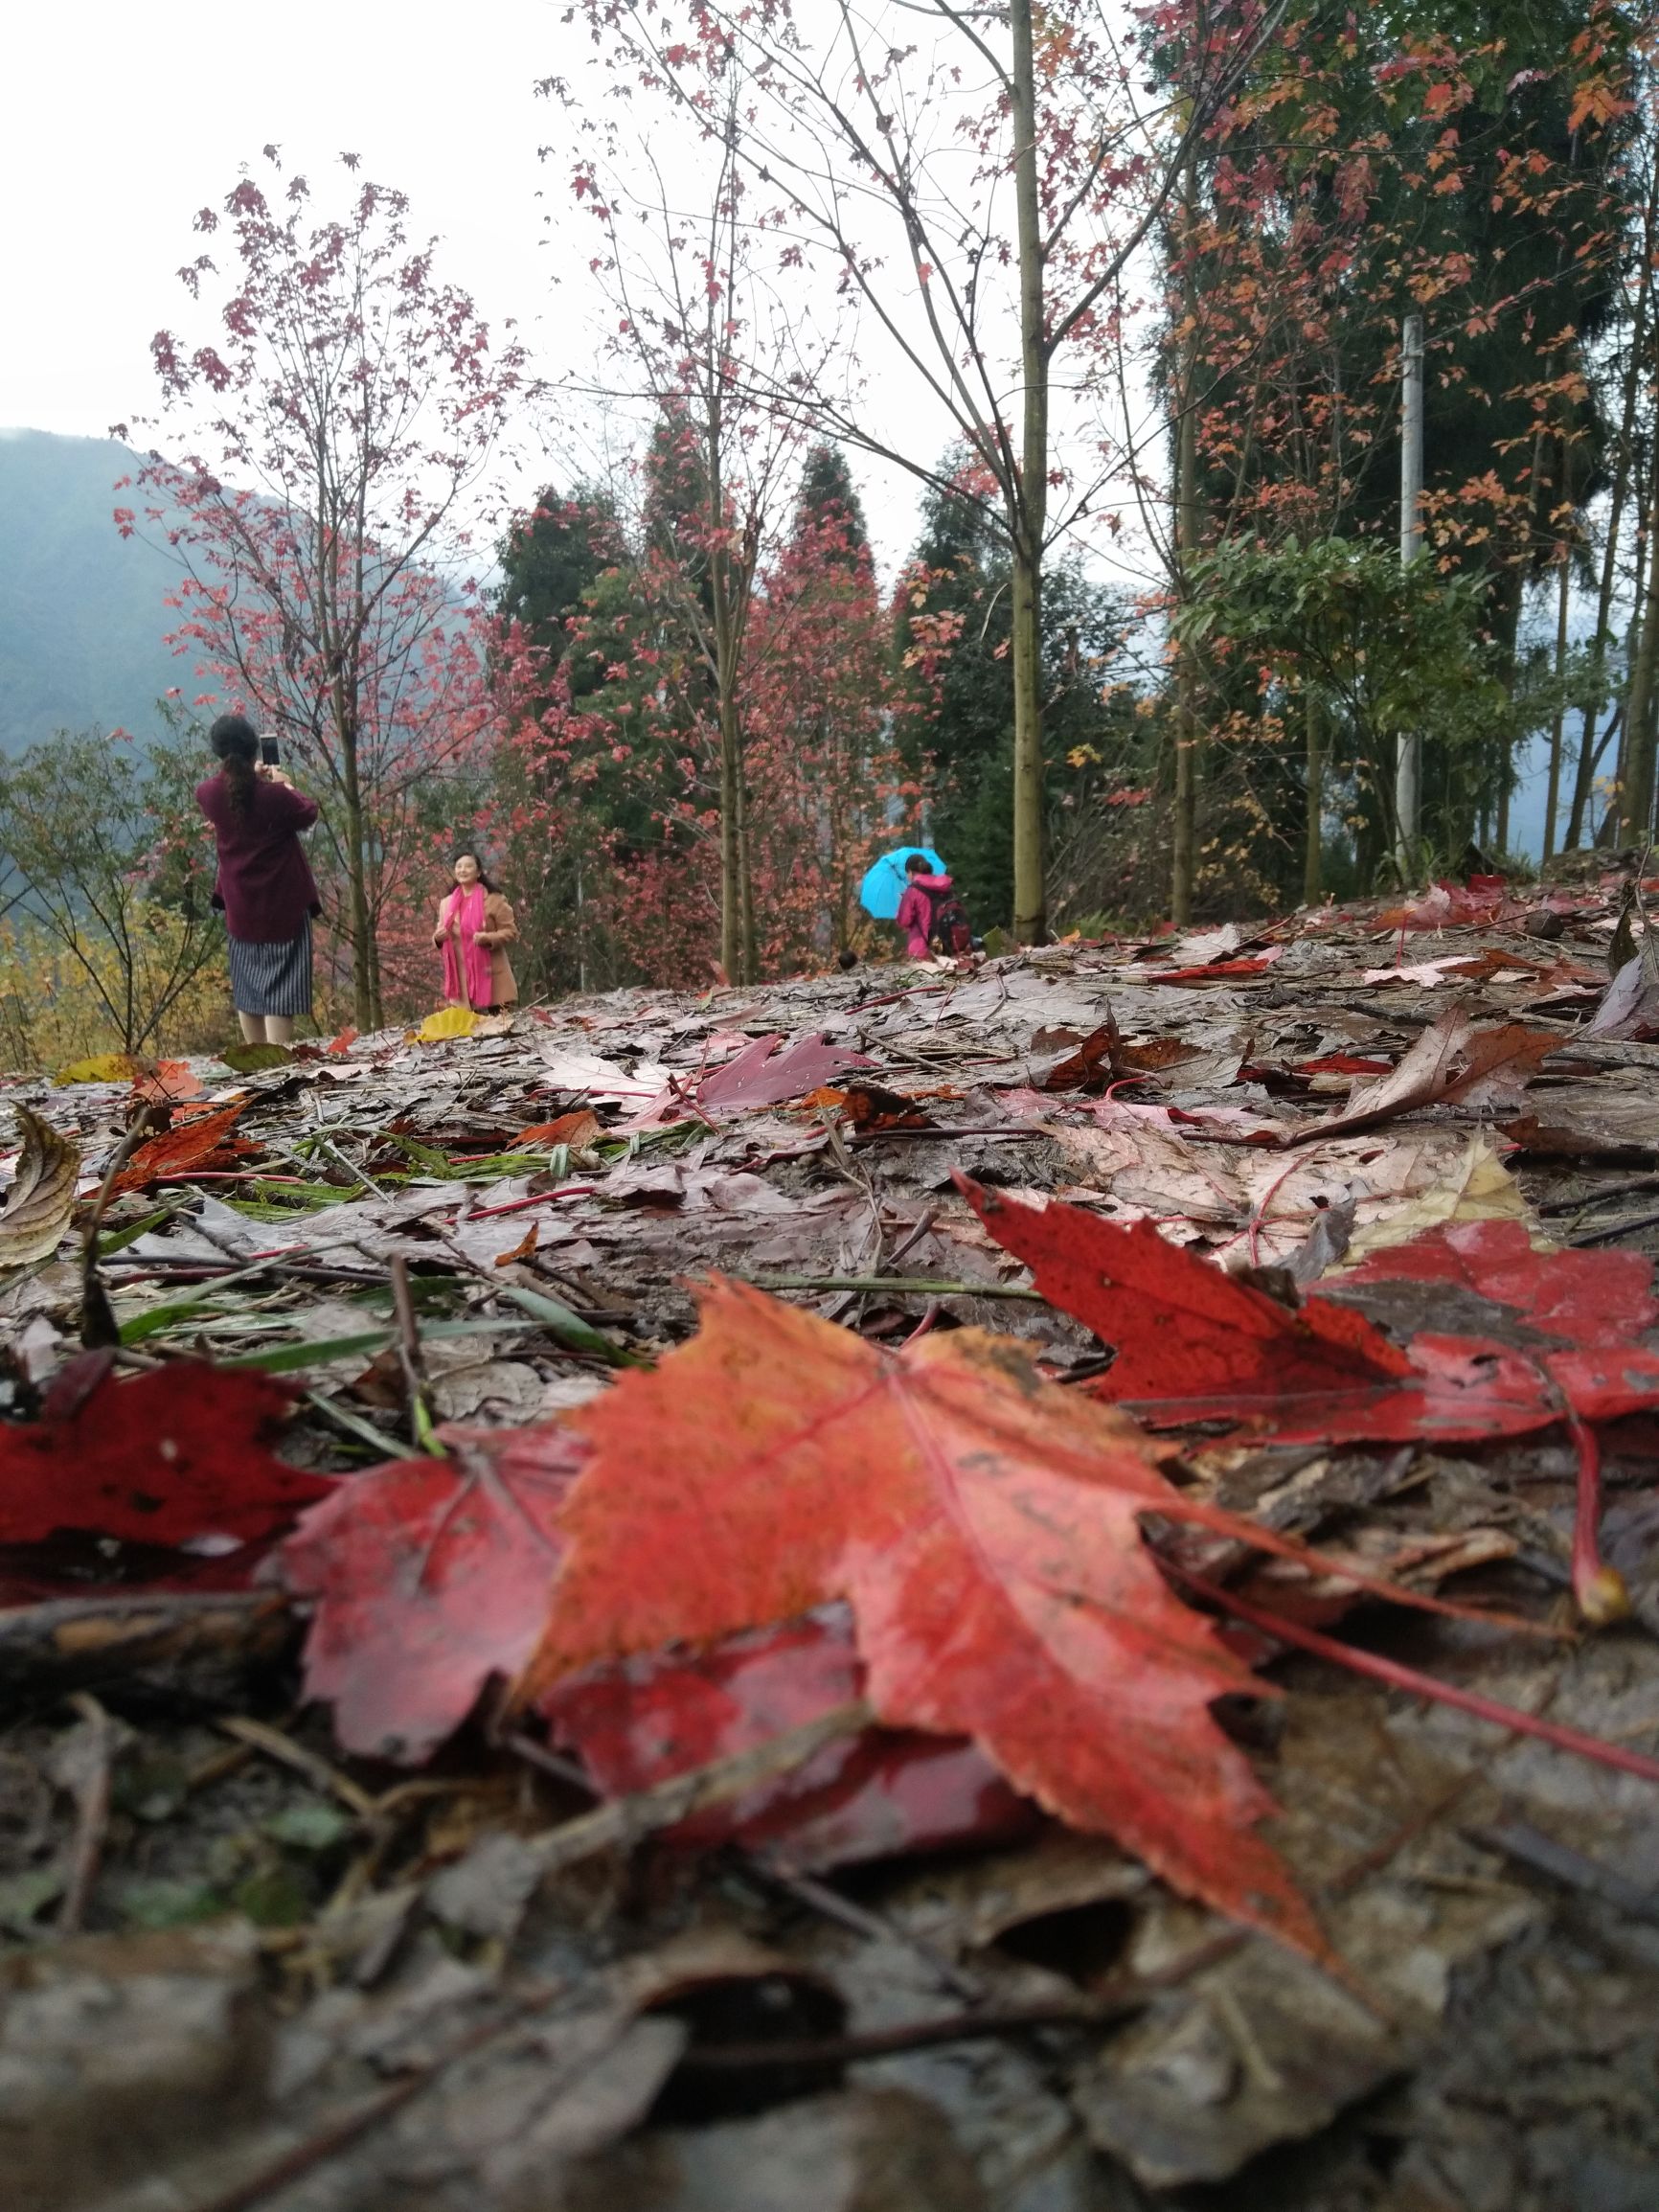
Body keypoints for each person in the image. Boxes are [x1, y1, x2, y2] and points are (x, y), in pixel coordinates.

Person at [196, 714, 320, 1045]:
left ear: (218, 752)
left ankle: (254, 1059)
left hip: (240, 905)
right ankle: (278, 1064)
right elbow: (308, 811)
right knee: (282, 988)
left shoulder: (207, 793)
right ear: (255, 748)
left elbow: (235, 795)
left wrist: (253, 779)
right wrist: (283, 784)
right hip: (284, 905)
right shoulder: (275, 796)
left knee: (248, 985)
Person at [433, 851, 519, 1013]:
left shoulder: (494, 899)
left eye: (468, 866)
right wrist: (437, 938)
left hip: (492, 978)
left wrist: (488, 938)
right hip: (462, 983)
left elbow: (511, 931)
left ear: (479, 872)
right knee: (469, 1033)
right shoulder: (447, 904)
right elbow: (440, 930)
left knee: (500, 1030)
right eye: (459, 866)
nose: (462, 870)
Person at [896, 853, 972, 962]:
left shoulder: (912, 891)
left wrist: (902, 902)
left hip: (924, 950)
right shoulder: (945, 884)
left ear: (911, 872)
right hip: (952, 945)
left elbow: (904, 921)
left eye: (907, 873)